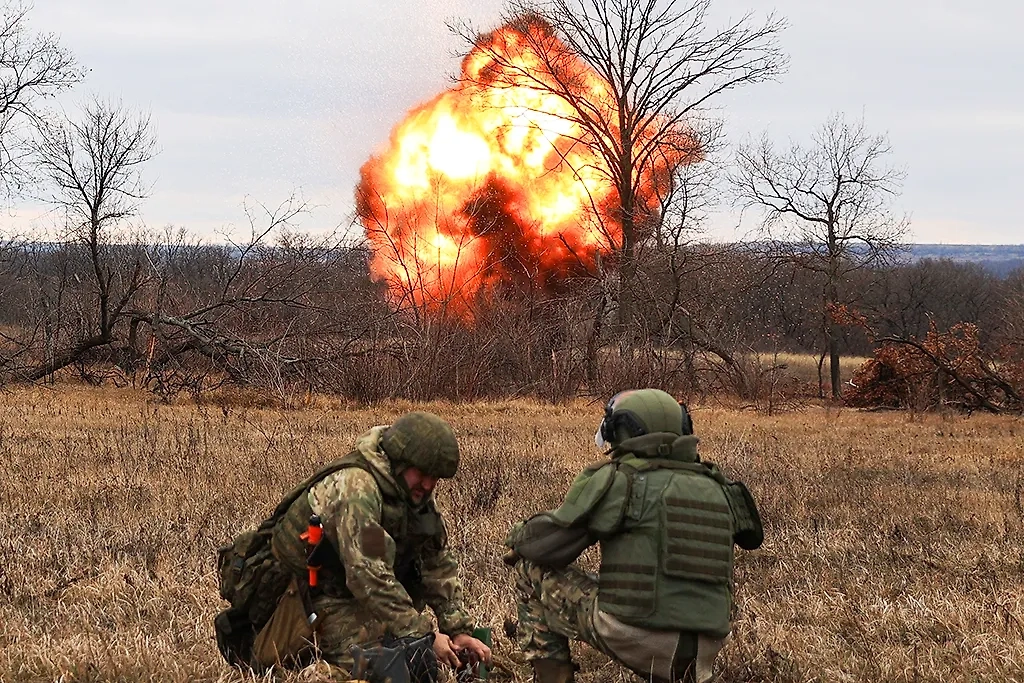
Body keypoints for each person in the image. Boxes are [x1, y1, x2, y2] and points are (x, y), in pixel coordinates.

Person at [502, 389, 763, 683]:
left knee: (530, 569)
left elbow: (546, 547)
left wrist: (518, 538)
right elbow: (752, 539)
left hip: (637, 636)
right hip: (707, 646)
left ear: (622, 431)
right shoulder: (719, 485)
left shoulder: (621, 478)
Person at [215, 411, 491, 681]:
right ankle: (319, 673)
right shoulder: (356, 488)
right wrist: (423, 636)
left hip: (349, 594)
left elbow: (436, 562)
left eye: (435, 477)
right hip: (303, 598)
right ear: (400, 461)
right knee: (393, 665)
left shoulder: (410, 491)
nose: (429, 485)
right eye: (422, 473)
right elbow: (368, 574)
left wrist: (458, 629)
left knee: (416, 660)